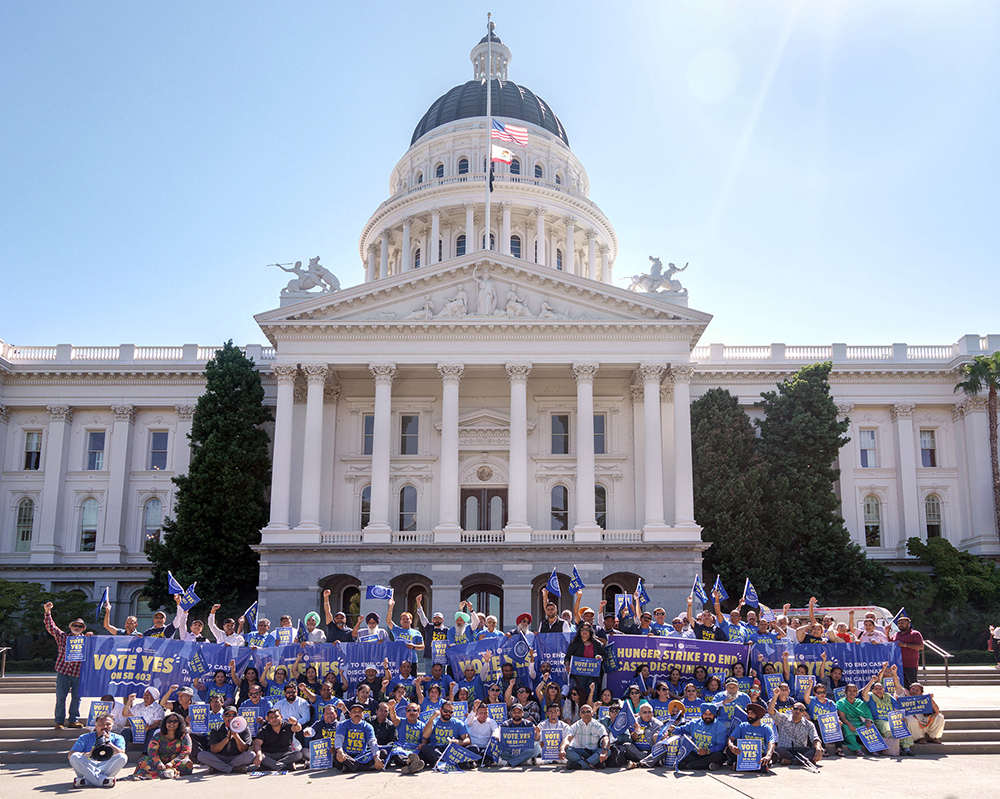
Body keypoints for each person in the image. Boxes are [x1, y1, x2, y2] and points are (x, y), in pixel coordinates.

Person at [646, 702, 729, 770]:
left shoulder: (720, 728)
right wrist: (673, 728)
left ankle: (688, 766)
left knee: (720, 756)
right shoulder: (694, 723)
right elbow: (682, 730)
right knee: (683, 752)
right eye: (705, 714)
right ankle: (708, 765)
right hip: (695, 753)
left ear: (714, 715)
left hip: (710, 753)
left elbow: (721, 746)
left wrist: (708, 751)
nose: (707, 716)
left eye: (710, 714)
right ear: (702, 714)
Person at [43, 601, 86, 729]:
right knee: (61, 698)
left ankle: (73, 720)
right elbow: (51, 627)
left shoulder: (87, 641)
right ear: (70, 626)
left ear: (83, 629)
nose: (77, 627)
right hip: (63, 672)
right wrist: (47, 612)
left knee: (77, 699)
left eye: (80, 626)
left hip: (79, 674)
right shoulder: (62, 637)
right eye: (75, 625)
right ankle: (59, 721)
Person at [863, 664, 913, 756]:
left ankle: (906, 748)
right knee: (888, 728)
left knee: (902, 726)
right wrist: (871, 682)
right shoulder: (870, 696)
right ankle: (896, 748)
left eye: (880, 689)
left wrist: (900, 718)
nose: (878, 690)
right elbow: (864, 693)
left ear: (883, 689)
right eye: (876, 689)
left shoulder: (888, 696)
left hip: (891, 719)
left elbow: (897, 708)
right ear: (873, 690)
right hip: (879, 720)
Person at [68, 712, 128, 788]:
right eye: (101, 724)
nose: (104, 726)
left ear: (112, 726)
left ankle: (86, 781)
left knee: (123, 757)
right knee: (75, 756)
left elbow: (121, 752)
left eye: (108, 724)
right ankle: (103, 780)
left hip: (106, 765)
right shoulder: (85, 737)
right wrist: (89, 754)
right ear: (95, 726)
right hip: (89, 764)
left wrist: (108, 742)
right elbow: (70, 755)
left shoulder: (118, 738)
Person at [132, 712, 194, 779]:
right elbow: (152, 751)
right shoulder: (158, 735)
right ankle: (168, 773)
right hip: (159, 761)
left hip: (177, 762)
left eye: (175, 721)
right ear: (165, 723)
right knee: (143, 760)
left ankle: (169, 772)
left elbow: (186, 751)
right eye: (169, 721)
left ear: (180, 723)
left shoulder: (184, 735)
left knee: (188, 764)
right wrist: (158, 763)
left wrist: (172, 763)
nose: (172, 723)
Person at [198, 705, 254, 773]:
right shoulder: (216, 729)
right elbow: (214, 750)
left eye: (233, 715)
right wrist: (227, 739)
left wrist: (237, 737)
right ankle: (233, 769)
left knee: (251, 755)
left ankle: (219, 768)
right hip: (220, 757)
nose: (231, 717)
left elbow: (244, 749)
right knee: (201, 755)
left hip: (236, 757)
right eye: (228, 715)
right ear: (223, 717)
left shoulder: (244, 728)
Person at [419, 702, 473, 769]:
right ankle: (454, 762)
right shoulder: (433, 721)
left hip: (452, 750)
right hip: (437, 749)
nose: (447, 713)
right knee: (426, 748)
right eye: (445, 711)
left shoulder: (458, 723)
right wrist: (432, 718)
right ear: (441, 710)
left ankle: (442, 762)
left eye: (450, 712)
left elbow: (467, 740)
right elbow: (425, 735)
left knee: (474, 748)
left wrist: (459, 742)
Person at [563, 621, 606, 701]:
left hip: (593, 676)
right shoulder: (574, 643)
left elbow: (604, 656)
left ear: (590, 631)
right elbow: (567, 658)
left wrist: (601, 658)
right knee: (579, 696)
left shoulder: (597, 644)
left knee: (592, 695)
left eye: (587, 629)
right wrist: (567, 665)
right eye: (583, 629)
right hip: (578, 676)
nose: (585, 631)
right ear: (579, 631)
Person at [727, 702, 776, 772]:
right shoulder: (742, 726)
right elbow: (730, 738)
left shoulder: (766, 728)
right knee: (729, 750)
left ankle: (743, 766)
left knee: (774, 755)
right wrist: (731, 746)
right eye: (748, 713)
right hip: (743, 754)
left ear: (758, 716)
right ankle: (759, 767)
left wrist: (768, 755)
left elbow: (771, 743)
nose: (749, 715)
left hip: (760, 755)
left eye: (752, 713)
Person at [252, 707, 304, 771]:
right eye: (271, 718)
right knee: (261, 757)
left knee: (298, 754)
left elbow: (298, 729)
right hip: (269, 755)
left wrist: (295, 723)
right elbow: (257, 743)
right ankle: (285, 766)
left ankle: (271, 766)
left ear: (281, 717)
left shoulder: (287, 725)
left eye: (276, 717)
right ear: (268, 719)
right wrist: (259, 754)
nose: (274, 719)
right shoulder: (264, 729)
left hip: (285, 754)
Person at [772, 702, 823, 766]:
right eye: (796, 709)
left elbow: (815, 738)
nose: (798, 711)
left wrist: (818, 749)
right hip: (786, 749)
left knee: (819, 750)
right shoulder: (783, 718)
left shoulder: (809, 724)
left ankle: (791, 761)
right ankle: (804, 761)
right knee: (778, 750)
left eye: (801, 710)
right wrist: (775, 697)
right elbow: (771, 711)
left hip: (801, 749)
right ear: (792, 710)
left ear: (804, 713)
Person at [836, 681, 879, 755]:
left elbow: (868, 714)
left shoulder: (860, 703)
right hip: (848, 722)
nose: (852, 693)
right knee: (846, 728)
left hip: (860, 723)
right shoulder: (841, 703)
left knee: (869, 727)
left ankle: (872, 749)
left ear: (856, 693)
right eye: (849, 691)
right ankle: (857, 750)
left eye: (854, 691)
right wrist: (849, 724)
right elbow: (842, 716)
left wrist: (868, 721)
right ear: (845, 692)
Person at [563, 704, 609, 769]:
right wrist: (562, 749)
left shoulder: (599, 726)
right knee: (567, 750)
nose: (586, 714)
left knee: (608, 750)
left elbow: (605, 738)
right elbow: (568, 738)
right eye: (583, 712)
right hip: (580, 752)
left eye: (588, 711)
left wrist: (604, 751)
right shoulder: (575, 725)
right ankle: (594, 763)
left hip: (593, 752)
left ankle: (580, 765)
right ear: (580, 714)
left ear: (592, 713)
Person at [497, 702, 542, 767]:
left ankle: (511, 762)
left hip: (523, 748)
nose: (517, 714)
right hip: (510, 749)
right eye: (514, 712)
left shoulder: (529, 724)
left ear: (523, 713)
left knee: (536, 748)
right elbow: (502, 740)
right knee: (498, 747)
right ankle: (522, 760)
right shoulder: (505, 724)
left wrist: (537, 733)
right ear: (511, 713)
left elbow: (535, 739)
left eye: (519, 712)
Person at [622, 702, 663, 768]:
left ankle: (638, 763)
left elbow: (658, 740)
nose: (647, 714)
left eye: (649, 712)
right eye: (644, 712)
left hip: (650, 750)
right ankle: (648, 761)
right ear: (640, 713)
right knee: (626, 745)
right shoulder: (634, 722)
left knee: (661, 749)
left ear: (652, 713)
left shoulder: (658, 724)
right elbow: (632, 739)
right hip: (636, 750)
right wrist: (636, 731)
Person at [389, 701, 427, 772]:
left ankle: (409, 767)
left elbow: (424, 742)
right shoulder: (401, 722)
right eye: (409, 710)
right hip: (402, 748)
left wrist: (422, 745)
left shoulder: (423, 726)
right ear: (406, 713)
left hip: (415, 749)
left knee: (422, 755)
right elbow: (393, 717)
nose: (412, 712)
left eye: (414, 710)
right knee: (396, 753)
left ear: (418, 713)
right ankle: (411, 764)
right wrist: (391, 708)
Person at [891, 613, 925, 688]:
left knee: (913, 685)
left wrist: (905, 645)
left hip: (910, 665)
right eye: (899, 623)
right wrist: (886, 633)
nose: (900, 625)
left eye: (902, 623)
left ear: (909, 624)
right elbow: (889, 644)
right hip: (898, 665)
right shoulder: (896, 635)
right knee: (903, 686)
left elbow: (920, 646)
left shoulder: (915, 634)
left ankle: (916, 698)